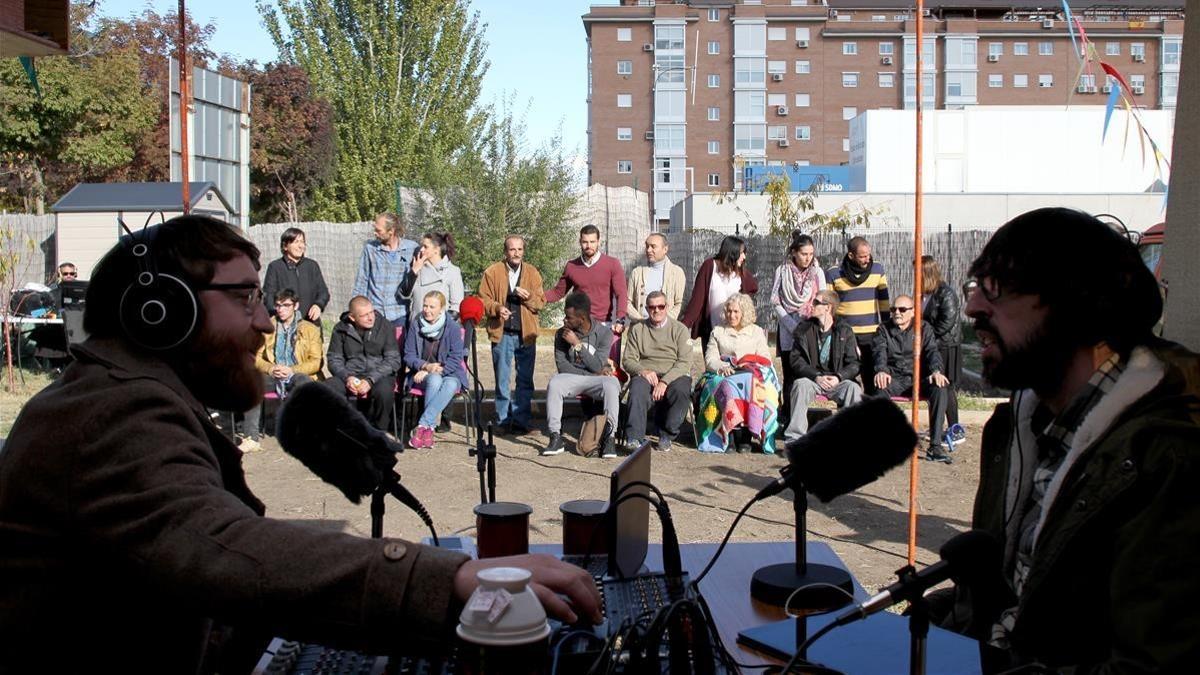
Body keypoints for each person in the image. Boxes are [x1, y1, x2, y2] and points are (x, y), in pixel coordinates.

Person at [0, 215, 601, 674]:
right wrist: (450, 582)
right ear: (164, 313)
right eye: (244, 298)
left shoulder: (131, 395)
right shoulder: (112, 415)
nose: (264, 321)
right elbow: (225, 549)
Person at [930, 207, 1200, 672]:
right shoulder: (1018, 428)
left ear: (1077, 307)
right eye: (978, 288)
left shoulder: (1168, 459)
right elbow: (1020, 602)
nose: (973, 306)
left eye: (998, 289)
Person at [240, 288, 324, 451]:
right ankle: (251, 437)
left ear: (296, 306)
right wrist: (271, 368)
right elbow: (254, 357)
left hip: (297, 373)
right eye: (278, 305)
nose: (281, 309)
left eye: (286, 305)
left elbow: (316, 362)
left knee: (304, 384)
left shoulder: (309, 329)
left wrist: (291, 370)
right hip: (274, 374)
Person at [870, 294, 951, 463]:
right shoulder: (883, 329)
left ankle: (935, 445)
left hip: (918, 379)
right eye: (893, 309)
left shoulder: (923, 328)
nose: (897, 313)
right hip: (894, 378)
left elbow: (932, 352)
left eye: (902, 309)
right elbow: (879, 352)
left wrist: (936, 371)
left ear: (913, 312)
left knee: (940, 388)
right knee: (879, 391)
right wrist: (881, 370)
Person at [696, 293, 780, 454]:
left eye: (736, 312)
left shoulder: (756, 331)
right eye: (729, 311)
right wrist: (722, 366)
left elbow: (765, 358)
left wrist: (748, 362)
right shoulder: (718, 331)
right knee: (727, 388)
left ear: (744, 312)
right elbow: (710, 359)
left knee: (755, 386)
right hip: (724, 373)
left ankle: (746, 436)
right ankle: (730, 436)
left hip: (751, 373)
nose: (731, 315)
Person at [478, 235, 545, 435]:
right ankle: (503, 420)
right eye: (512, 249)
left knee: (525, 379)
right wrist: (497, 308)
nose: (516, 253)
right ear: (505, 252)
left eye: (519, 249)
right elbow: (483, 299)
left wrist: (529, 298)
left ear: (524, 251)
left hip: (526, 334)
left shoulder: (532, 272)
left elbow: (541, 301)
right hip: (503, 333)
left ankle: (521, 420)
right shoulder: (492, 272)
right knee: (502, 379)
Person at [544, 293, 620, 458]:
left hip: (597, 380)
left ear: (582, 318)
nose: (565, 320)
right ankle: (555, 437)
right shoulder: (561, 334)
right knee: (555, 383)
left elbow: (598, 365)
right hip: (574, 378)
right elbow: (563, 367)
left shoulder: (603, 333)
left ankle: (609, 438)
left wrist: (577, 345)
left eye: (569, 317)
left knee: (612, 385)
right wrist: (591, 373)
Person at [783, 289, 862, 442]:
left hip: (837, 381)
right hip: (813, 380)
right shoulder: (803, 329)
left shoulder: (844, 330)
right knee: (800, 385)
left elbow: (854, 363)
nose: (812, 305)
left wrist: (839, 377)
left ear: (828, 307)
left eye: (816, 302)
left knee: (854, 389)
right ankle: (794, 439)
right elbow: (796, 360)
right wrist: (816, 376)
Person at [622, 291, 693, 452]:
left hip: (673, 373)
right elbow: (628, 360)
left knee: (682, 389)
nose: (657, 310)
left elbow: (685, 362)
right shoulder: (638, 329)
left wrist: (665, 381)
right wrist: (643, 371)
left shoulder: (680, 329)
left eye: (661, 306)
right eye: (652, 307)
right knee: (638, 388)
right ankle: (634, 437)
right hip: (647, 373)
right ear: (647, 309)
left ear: (667, 307)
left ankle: (667, 434)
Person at [326, 296, 403, 433]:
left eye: (371, 312)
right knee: (329, 387)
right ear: (352, 317)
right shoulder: (340, 329)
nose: (370, 318)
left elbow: (393, 359)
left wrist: (370, 380)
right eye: (364, 315)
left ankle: (380, 430)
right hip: (351, 373)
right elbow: (334, 359)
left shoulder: (385, 326)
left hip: (379, 374)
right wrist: (347, 377)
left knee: (384, 392)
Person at [402, 291, 468, 449]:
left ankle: (425, 426)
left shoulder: (452, 327)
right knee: (434, 380)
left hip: (449, 372)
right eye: (425, 305)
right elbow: (408, 355)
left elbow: (456, 358)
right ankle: (429, 428)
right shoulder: (416, 324)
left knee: (450, 384)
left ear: (442, 309)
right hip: (420, 373)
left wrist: (436, 370)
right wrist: (425, 366)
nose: (427, 310)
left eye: (432, 306)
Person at [826, 236, 890, 393]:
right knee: (845, 378)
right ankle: (847, 413)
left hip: (871, 334)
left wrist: (887, 327)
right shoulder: (834, 273)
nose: (867, 259)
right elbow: (829, 306)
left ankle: (869, 412)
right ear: (851, 255)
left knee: (870, 377)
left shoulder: (878, 270)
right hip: (846, 335)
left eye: (868, 255)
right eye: (862, 256)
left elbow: (884, 301)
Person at [770, 232, 826, 410]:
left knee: (807, 373)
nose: (808, 258)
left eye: (811, 254)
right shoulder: (782, 271)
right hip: (788, 329)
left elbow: (822, 299)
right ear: (794, 252)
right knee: (790, 374)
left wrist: (809, 324)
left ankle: (803, 413)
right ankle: (787, 414)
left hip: (810, 329)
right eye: (804, 254)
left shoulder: (817, 272)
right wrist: (792, 326)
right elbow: (776, 301)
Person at [680, 235, 759, 354]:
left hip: (734, 334)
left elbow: (753, 287)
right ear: (732, 252)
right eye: (742, 253)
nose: (744, 257)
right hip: (711, 332)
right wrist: (682, 327)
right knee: (713, 368)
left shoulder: (740, 273)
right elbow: (697, 300)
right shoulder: (709, 266)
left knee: (735, 370)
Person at [545, 224, 628, 334]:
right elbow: (557, 293)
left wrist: (620, 319)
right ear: (580, 242)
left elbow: (621, 294)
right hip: (579, 325)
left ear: (598, 241)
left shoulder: (612, 264)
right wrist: (534, 296)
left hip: (604, 325)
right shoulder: (571, 266)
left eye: (592, 242)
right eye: (585, 242)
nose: (589, 246)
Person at [920, 254, 965, 446]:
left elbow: (946, 323)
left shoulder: (946, 294)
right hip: (932, 346)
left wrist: (927, 338)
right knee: (936, 387)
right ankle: (938, 426)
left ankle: (955, 428)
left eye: (918, 272)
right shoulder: (924, 293)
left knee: (946, 387)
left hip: (946, 346)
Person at [353, 212, 419, 328]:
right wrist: (356, 309)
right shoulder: (370, 249)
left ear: (391, 231)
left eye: (379, 230)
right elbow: (362, 281)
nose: (375, 233)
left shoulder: (411, 249)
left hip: (399, 314)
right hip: (375, 314)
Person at [261, 227, 330, 325]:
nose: (300, 246)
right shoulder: (275, 267)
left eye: (302, 242)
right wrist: (279, 313)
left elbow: (323, 292)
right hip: (284, 325)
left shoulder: (312, 266)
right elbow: (268, 296)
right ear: (285, 246)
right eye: (296, 242)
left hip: (310, 324)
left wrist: (318, 305)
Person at [402, 231, 465, 318]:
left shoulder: (452, 271)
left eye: (425, 247)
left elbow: (456, 306)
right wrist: (413, 272)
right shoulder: (417, 268)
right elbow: (404, 294)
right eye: (421, 246)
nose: (421, 250)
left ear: (436, 250)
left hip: (440, 328)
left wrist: (442, 325)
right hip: (416, 326)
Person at [626, 233, 686, 321]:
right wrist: (640, 321)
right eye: (647, 246)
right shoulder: (637, 273)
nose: (648, 250)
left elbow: (680, 303)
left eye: (653, 246)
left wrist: (664, 321)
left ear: (665, 249)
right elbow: (627, 302)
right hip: (640, 329)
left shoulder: (677, 273)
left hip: (667, 330)